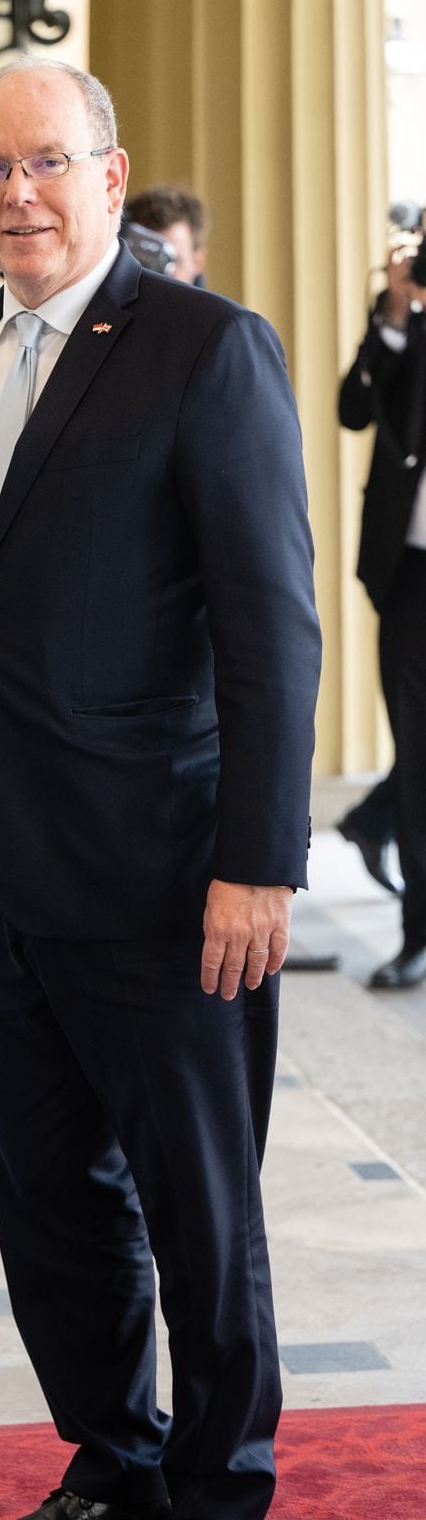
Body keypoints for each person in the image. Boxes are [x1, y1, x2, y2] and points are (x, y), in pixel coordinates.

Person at [0, 57, 320, 1520]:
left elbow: (274, 630)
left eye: (48, 164)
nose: (19, 198)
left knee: (200, 1201)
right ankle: (117, 1459)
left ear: (112, 176)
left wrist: (259, 859)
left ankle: (223, 1486)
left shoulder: (206, 349)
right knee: (48, 1193)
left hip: (164, 870)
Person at [339, 237, 426, 986]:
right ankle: (417, 935)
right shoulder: (401, 323)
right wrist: (395, 314)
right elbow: (352, 407)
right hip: (411, 577)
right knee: (420, 750)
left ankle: (372, 817)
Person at [124, 185, 208, 286]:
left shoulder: (218, 302)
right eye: (145, 260)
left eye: (171, 260)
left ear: (198, 262)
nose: (158, 276)